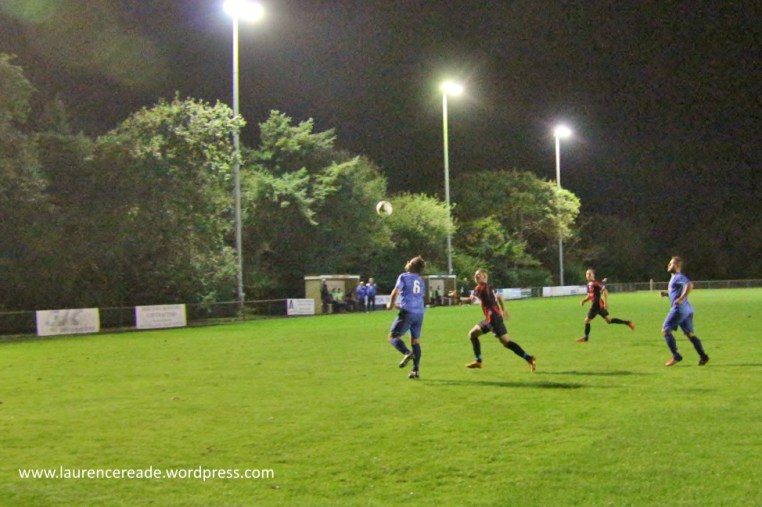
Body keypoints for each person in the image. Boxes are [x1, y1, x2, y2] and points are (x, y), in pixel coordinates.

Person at [465, 269, 536, 372]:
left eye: (478, 275)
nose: (476, 277)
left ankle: (529, 358)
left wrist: (457, 297)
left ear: (484, 276)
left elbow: (470, 301)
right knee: (472, 334)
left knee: (506, 342)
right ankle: (478, 361)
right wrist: (503, 309)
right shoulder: (490, 287)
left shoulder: (480, 287)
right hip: (490, 319)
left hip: (493, 319)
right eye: (475, 275)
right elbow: (499, 297)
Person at [660, 256, 709, 367]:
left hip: (679, 310)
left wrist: (681, 299)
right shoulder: (674, 278)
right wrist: (666, 294)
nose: (668, 265)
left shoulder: (678, 276)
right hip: (687, 310)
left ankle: (676, 356)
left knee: (665, 330)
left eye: (671, 263)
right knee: (690, 334)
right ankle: (703, 356)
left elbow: (690, 285)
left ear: (677, 266)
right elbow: (676, 292)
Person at [387, 256, 426, 379]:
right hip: (419, 313)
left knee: (393, 336)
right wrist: (400, 306)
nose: (407, 262)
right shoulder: (420, 280)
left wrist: (391, 305)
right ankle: (415, 371)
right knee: (415, 341)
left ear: (411, 266)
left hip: (408, 312)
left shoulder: (404, 276)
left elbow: (396, 291)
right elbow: (417, 297)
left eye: (410, 261)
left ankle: (407, 353)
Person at [577, 268, 635, 343]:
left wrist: (606, 302)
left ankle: (586, 338)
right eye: (586, 274)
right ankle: (627, 322)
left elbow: (605, 290)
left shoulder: (595, 283)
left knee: (586, 321)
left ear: (593, 275)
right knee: (609, 320)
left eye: (589, 274)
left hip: (596, 305)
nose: (587, 275)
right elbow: (590, 295)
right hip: (599, 305)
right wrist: (584, 301)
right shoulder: (589, 285)